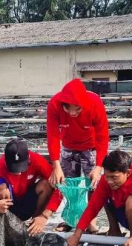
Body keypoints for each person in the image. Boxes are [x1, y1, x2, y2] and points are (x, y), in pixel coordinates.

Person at [47, 78, 109, 232]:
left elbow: (103, 136)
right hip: (68, 145)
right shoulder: (54, 104)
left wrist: (99, 166)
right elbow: (53, 135)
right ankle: (70, 220)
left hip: (91, 146)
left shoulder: (95, 103)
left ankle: (91, 223)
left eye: (77, 109)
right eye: (68, 109)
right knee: (69, 184)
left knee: (93, 184)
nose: (72, 113)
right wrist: (56, 165)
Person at [0, 138, 62, 236]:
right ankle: (6, 224)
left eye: (22, 167)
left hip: (24, 206)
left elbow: (61, 188)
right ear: (5, 160)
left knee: (46, 184)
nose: (18, 172)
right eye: (14, 168)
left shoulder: (36, 160)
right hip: (2, 209)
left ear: (28, 159)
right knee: (2, 189)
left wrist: (44, 215)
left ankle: (35, 224)